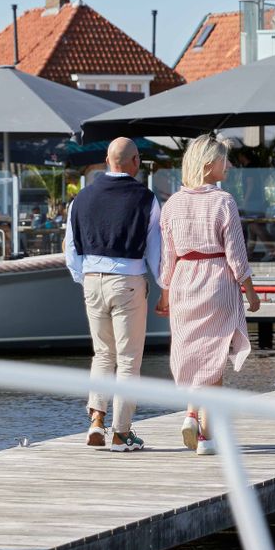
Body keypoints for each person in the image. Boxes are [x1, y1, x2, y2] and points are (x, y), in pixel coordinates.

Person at [158, 134, 260, 457]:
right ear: (207, 165)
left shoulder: (172, 204)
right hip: (217, 280)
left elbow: (167, 258)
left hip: (183, 282)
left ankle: (191, 413)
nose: (228, 165)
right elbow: (236, 255)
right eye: (223, 160)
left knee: (191, 354)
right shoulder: (223, 201)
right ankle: (207, 437)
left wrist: (164, 295)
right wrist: (252, 293)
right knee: (213, 358)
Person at [65, 136, 164, 452]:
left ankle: (96, 420)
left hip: (93, 279)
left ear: (107, 160)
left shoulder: (80, 199)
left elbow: (71, 250)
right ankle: (121, 433)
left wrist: (85, 279)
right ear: (135, 162)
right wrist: (166, 289)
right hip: (128, 281)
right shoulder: (146, 199)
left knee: (102, 354)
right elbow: (155, 252)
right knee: (128, 360)